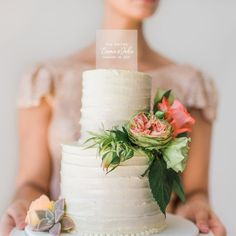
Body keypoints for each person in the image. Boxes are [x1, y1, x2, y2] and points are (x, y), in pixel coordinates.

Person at [0, 0, 226, 235]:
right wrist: (25, 206)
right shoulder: (48, 79)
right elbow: (31, 183)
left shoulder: (191, 85)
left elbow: (195, 191)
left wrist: (197, 207)